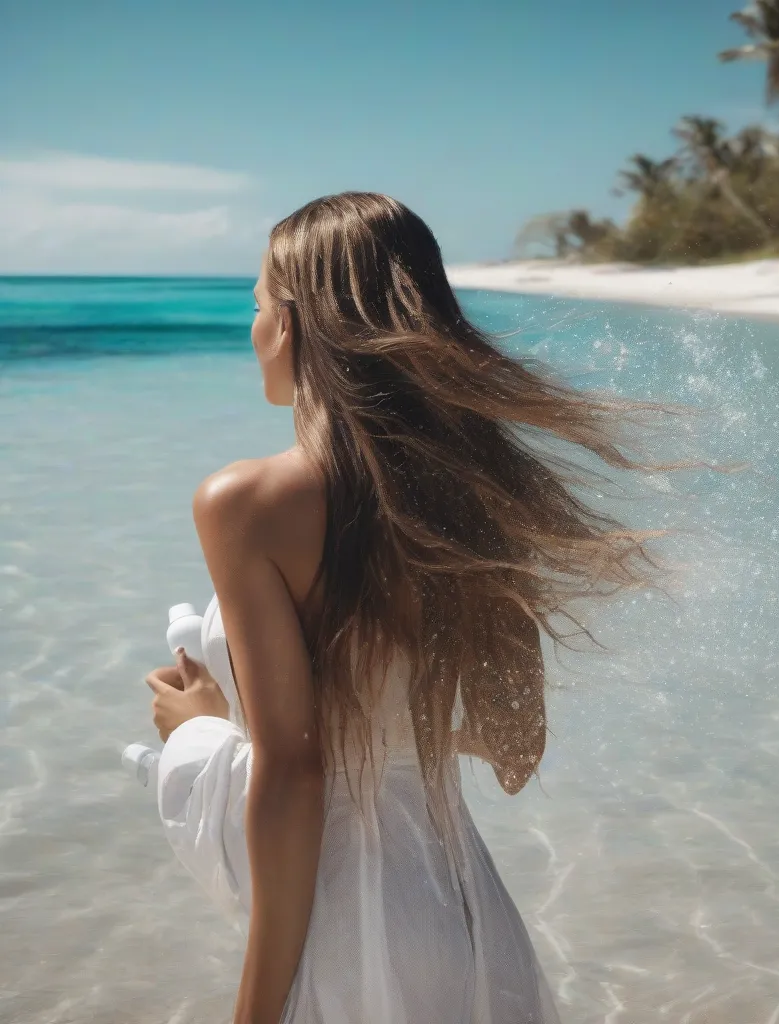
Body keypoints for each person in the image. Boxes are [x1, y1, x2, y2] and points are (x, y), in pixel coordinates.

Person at [143, 192, 673, 1024]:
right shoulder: (475, 498)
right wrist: (393, 738)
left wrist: (202, 734)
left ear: (293, 323)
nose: (252, 331)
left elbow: (296, 773)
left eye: (254, 305)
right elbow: (514, 748)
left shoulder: (244, 500)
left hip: (349, 927)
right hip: (465, 919)